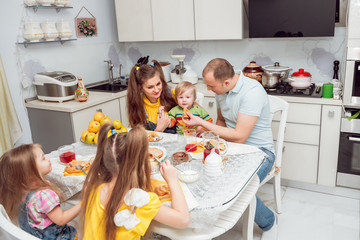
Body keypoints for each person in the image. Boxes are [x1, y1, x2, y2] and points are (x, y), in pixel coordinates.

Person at [183, 58, 278, 239]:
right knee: (201, 171)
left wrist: (202, 122)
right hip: (232, 147)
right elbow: (221, 122)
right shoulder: (222, 90)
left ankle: (269, 221)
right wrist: (207, 134)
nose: (208, 90)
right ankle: (203, 220)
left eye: (211, 86)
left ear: (226, 82)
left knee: (238, 187)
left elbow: (240, 135)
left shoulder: (252, 92)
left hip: (259, 152)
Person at [80, 123, 189, 240]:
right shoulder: (140, 201)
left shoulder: (92, 187)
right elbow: (183, 220)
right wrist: (172, 179)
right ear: (140, 163)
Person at [0, 144, 80, 240]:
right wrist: (83, 203)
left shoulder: (18, 190)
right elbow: (61, 219)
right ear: (30, 172)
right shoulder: (44, 195)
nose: (48, 158)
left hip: (32, 235)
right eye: (43, 158)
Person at [127, 56, 177, 133]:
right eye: (150, 87)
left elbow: (198, 110)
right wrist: (159, 129)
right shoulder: (139, 107)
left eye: (158, 84)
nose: (156, 90)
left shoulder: (172, 94)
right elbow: (141, 141)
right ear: (140, 87)